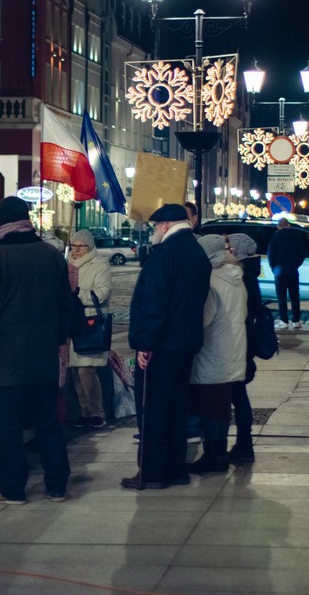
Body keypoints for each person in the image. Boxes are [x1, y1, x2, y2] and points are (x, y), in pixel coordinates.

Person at [0, 196, 72, 504]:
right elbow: (65, 304)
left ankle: (13, 489)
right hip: (43, 356)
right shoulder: (51, 255)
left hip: (5, 359)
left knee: (7, 426)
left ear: (0, 223)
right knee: (48, 423)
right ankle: (56, 486)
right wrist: (60, 339)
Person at [123, 203, 211, 490]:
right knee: (177, 408)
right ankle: (176, 469)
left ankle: (152, 472)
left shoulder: (165, 254)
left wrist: (145, 345)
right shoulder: (197, 252)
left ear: (165, 225)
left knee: (154, 409)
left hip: (161, 345)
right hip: (186, 343)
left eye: (156, 226)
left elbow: (155, 303)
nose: (154, 231)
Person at [187, 235, 247, 475]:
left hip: (213, 352)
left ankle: (214, 457)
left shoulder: (212, 279)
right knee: (221, 407)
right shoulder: (235, 275)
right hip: (232, 350)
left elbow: (204, 318)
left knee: (211, 407)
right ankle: (218, 454)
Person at [65, 229, 112, 429]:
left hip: (89, 324)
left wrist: (77, 293)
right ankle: (84, 412)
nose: (76, 250)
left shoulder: (99, 264)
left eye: (81, 246)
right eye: (73, 245)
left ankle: (97, 412)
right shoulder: (67, 265)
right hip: (72, 324)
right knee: (75, 371)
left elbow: (102, 292)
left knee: (87, 371)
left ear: (89, 246)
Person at [227, 233, 262, 463]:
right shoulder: (248, 274)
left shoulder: (244, 276)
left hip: (240, 342)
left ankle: (245, 445)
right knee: (238, 394)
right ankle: (244, 444)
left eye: (230, 247)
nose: (227, 251)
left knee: (237, 394)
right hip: (243, 342)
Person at [267, 217, 304, 330]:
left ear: (278, 226)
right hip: (292, 270)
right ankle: (296, 320)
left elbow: (270, 254)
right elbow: (302, 253)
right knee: (294, 296)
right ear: (288, 225)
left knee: (281, 297)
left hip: (279, 271)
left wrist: (274, 268)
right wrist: (296, 265)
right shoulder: (296, 236)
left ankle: (284, 321)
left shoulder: (274, 237)